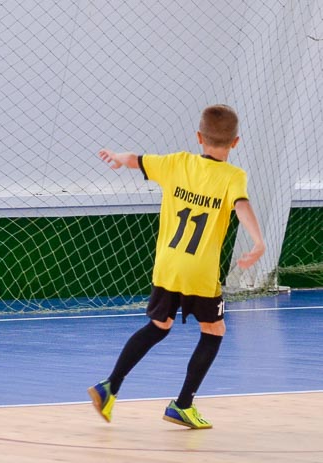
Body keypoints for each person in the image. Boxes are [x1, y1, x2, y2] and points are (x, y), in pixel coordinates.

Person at [88, 104, 265, 429]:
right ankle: (182, 405)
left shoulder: (176, 163)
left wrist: (116, 157)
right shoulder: (233, 176)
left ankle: (109, 386)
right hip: (200, 273)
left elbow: (135, 159)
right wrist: (258, 242)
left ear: (199, 137)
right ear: (235, 143)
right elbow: (241, 205)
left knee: (159, 326)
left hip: (167, 267)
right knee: (214, 330)